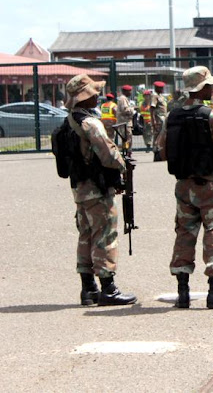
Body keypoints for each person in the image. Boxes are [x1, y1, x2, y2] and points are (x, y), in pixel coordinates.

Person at [155, 66, 213, 309]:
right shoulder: (212, 116)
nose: (212, 89)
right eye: (209, 85)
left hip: (183, 185)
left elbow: (162, 149)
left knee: (184, 233)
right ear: (202, 88)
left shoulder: (172, 117)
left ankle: (183, 292)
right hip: (210, 186)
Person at [63, 74, 138, 307]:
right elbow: (108, 155)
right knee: (104, 234)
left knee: (86, 235)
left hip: (80, 187)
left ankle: (88, 289)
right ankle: (108, 288)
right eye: (93, 94)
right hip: (96, 188)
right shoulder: (90, 123)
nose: (97, 97)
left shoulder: (69, 122)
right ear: (84, 98)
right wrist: (124, 164)